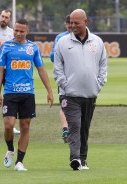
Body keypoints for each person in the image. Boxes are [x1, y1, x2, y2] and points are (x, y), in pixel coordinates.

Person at [0, 19, 54, 171]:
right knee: (8, 125)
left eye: (22, 31)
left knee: (25, 127)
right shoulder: (6, 47)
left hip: (28, 93)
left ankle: (19, 162)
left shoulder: (33, 47)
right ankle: (10, 149)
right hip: (10, 93)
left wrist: (49, 90)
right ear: (13, 30)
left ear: (27, 31)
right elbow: (0, 70)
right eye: (16, 30)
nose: (18, 33)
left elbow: (41, 69)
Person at [53, 9, 108, 170]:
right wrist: (65, 84)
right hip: (69, 95)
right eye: (71, 22)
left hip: (90, 93)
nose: (73, 25)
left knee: (84, 128)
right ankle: (75, 158)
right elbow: (57, 68)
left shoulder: (97, 42)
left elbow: (103, 65)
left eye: (76, 22)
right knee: (75, 125)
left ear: (86, 22)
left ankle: (83, 159)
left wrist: (98, 84)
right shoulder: (63, 42)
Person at [50, 15, 71, 143]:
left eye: (72, 23)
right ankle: (65, 129)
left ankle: (76, 128)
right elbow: (53, 57)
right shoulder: (60, 37)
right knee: (64, 102)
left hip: (78, 75)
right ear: (65, 24)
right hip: (64, 76)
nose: (70, 25)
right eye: (68, 23)